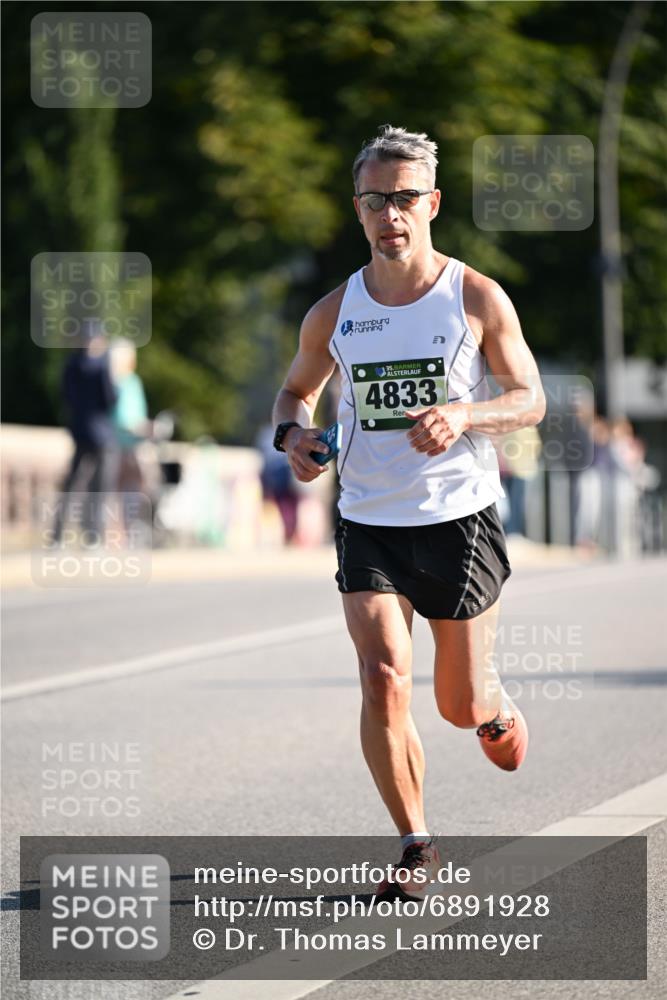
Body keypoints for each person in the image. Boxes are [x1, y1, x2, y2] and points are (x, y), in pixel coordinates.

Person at [271, 125, 546, 900]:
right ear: (356, 212)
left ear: (430, 204)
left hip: (458, 518)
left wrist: (464, 415)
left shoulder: (475, 297)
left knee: (457, 707)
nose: (389, 213)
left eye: (402, 198)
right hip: (368, 518)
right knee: (382, 674)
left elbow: (530, 400)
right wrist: (292, 435)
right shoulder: (334, 311)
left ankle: (490, 708)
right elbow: (295, 392)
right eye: (373, 200)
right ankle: (415, 841)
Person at [52, 322, 119, 543]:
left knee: (71, 487)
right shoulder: (101, 366)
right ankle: (93, 538)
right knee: (99, 491)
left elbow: (66, 398)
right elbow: (110, 399)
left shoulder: (71, 365)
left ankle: (57, 537)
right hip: (102, 436)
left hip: (80, 432)